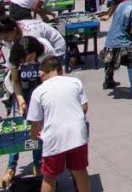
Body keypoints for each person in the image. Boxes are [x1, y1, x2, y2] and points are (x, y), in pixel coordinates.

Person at [27, 56, 91, 192]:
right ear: (60, 69)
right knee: (80, 171)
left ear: (42, 74)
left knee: (49, 176)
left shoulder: (38, 91)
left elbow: (35, 122)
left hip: (53, 137)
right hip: (78, 134)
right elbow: (84, 107)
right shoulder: (75, 82)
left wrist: (33, 137)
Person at [0, 36, 47, 186]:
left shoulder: (44, 53)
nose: (27, 61)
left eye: (31, 57)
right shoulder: (13, 58)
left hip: (39, 89)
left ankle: (38, 163)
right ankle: (11, 167)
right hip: (21, 89)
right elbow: (15, 81)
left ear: (36, 52)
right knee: (17, 128)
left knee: (38, 127)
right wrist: (21, 101)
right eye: (24, 59)